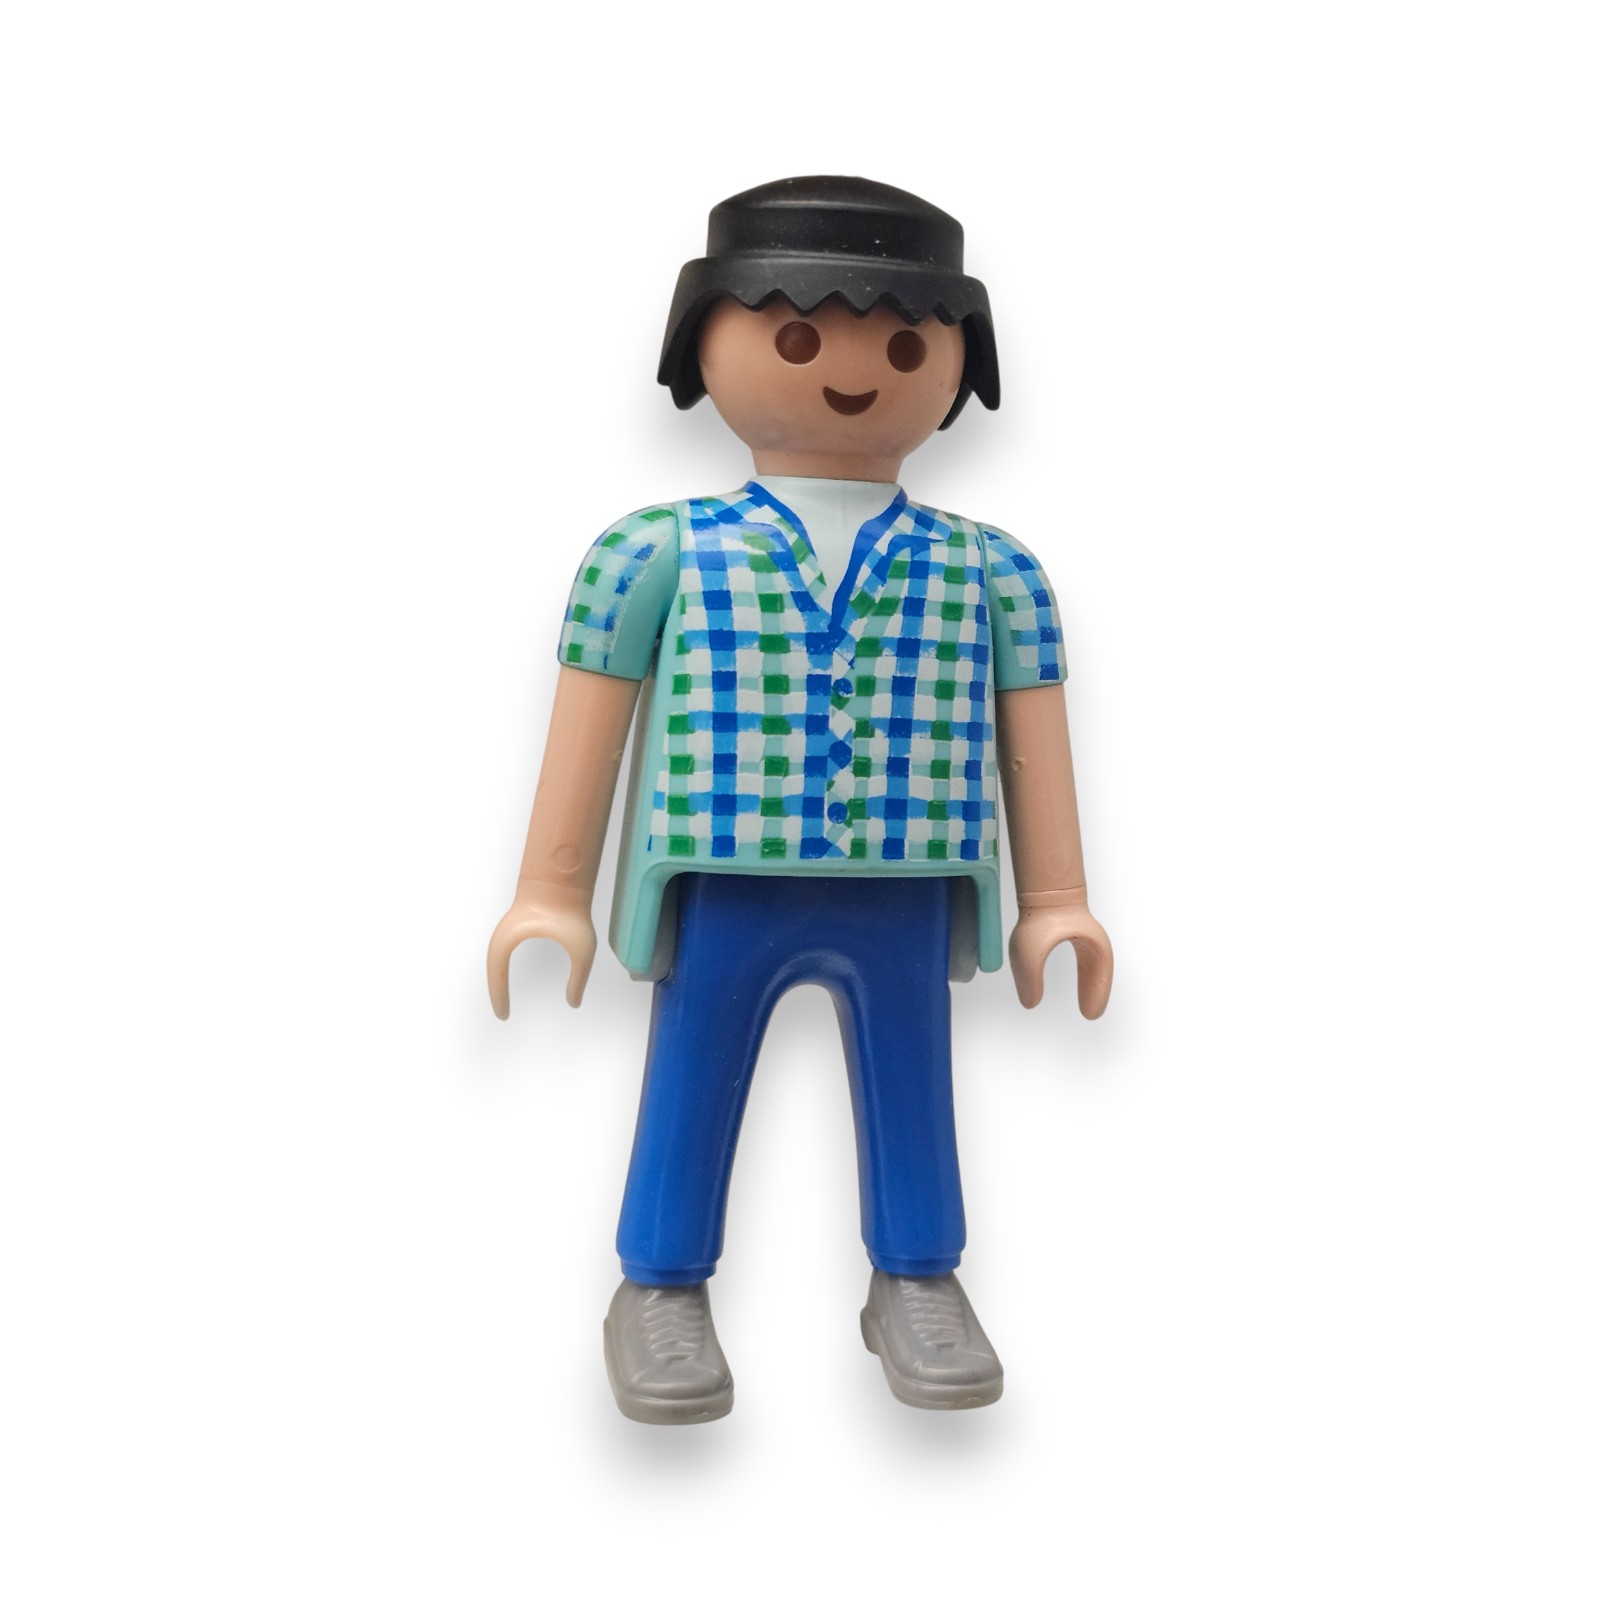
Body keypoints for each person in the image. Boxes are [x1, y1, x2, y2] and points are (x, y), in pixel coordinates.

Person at [488, 176, 1113, 1423]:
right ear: (704, 343)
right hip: (726, 871)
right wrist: (547, 890)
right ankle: (659, 1283)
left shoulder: (993, 570)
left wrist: (1058, 900)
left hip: (908, 874)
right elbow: (589, 726)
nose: (852, 374)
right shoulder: (653, 550)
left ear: (957, 366)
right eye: (793, 339)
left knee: (913, 1078)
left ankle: (918, 1274)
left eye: (903, 347)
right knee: (691, 1072)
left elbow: (1033, 737)